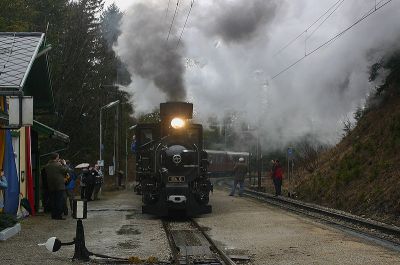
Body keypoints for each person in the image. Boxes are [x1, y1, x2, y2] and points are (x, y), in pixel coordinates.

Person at [45, 153, 68, 220]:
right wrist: (64, 163)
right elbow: (65, 170)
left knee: (53, 201)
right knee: (59, 201)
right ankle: (58, 216)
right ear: (56, 158)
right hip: (59, 185)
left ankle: (53, 215)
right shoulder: (58, 165)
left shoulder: (47, 166)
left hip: (51, 186)